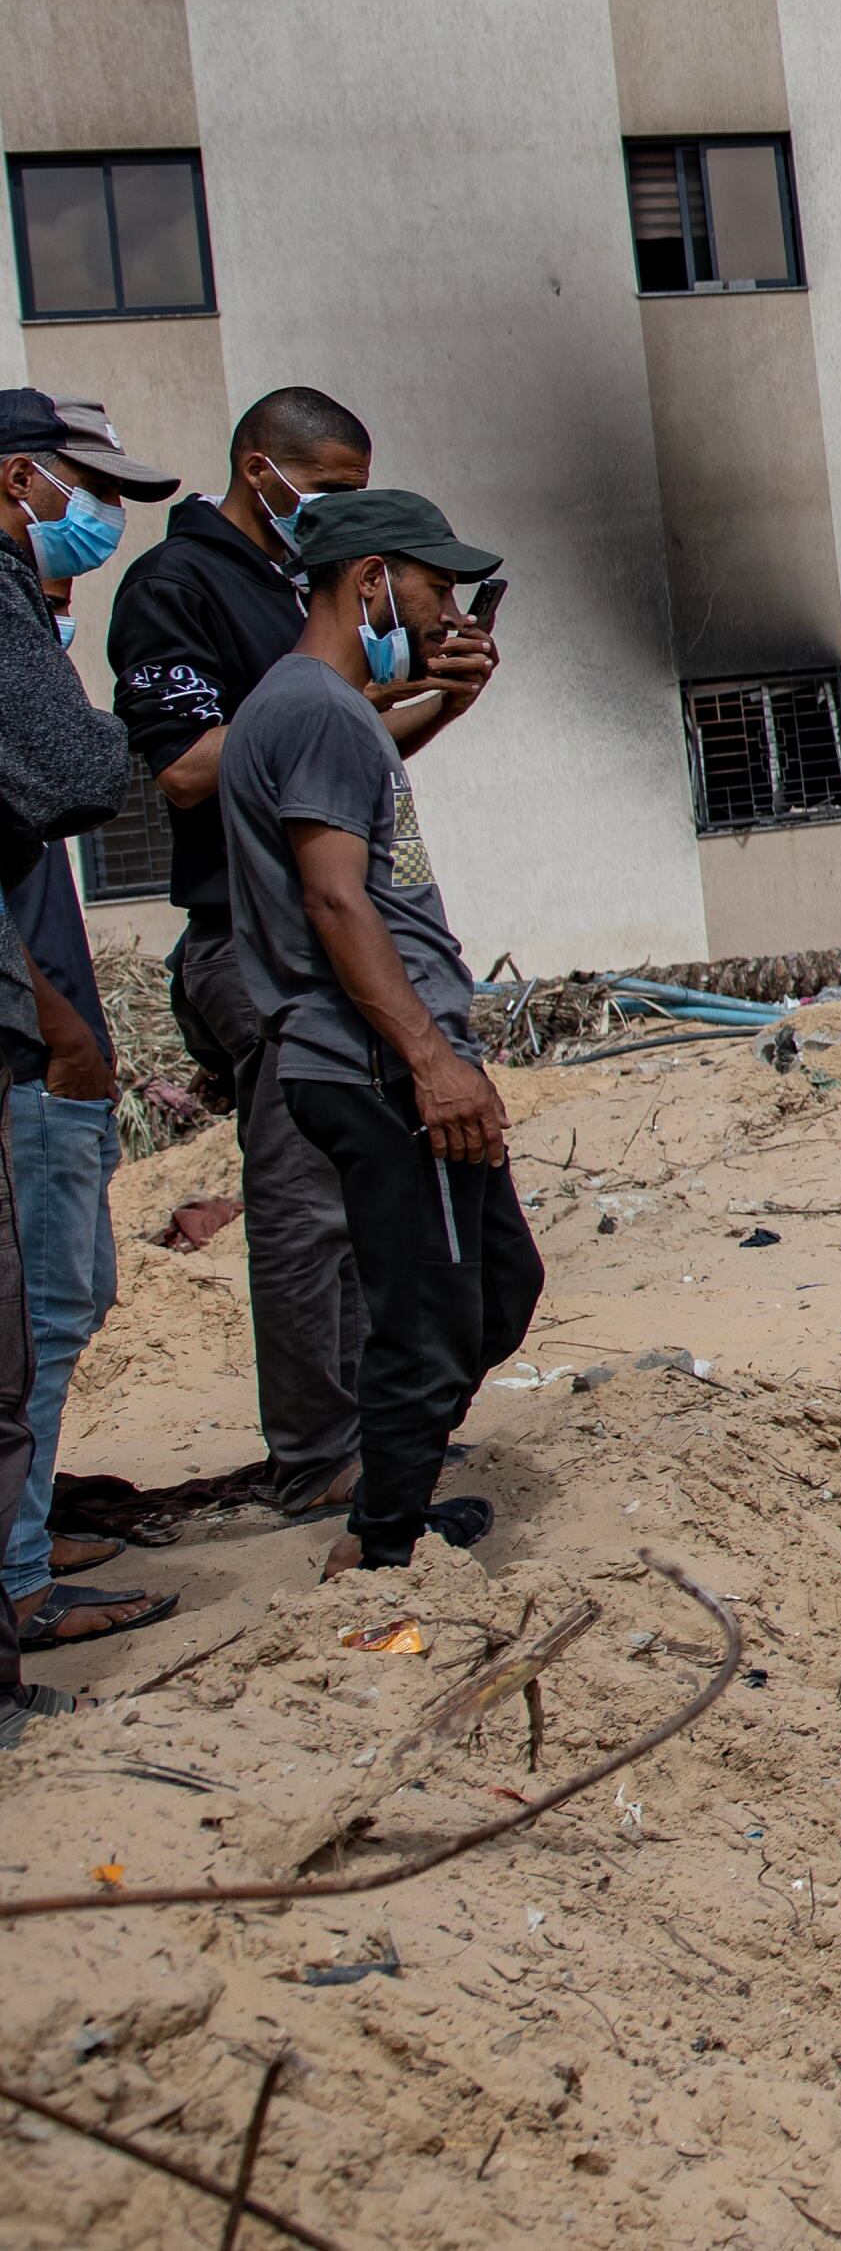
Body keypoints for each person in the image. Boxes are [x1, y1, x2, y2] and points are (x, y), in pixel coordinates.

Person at [214, 488, 537, 1576]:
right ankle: (382, 1546)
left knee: (496, 1287)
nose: (445, 609)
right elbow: (336, 898)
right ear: (368, 582)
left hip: (387, 1057)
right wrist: (430, 1061)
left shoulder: (317, 709)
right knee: (432, 1314)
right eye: (433, 585)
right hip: (378, 1065)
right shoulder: (314, 710)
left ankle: (393, 1495)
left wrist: (444, 705)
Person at [104, 387, 398, 1516]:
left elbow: (325, 767)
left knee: (356, 1201)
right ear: (259, 469)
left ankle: (366, 1433)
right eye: (327, 491)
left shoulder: (289, 586)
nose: (340, 514)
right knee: (301, 1204)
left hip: (328, 930)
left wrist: (429, 696)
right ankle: (319, 1455)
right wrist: (332, 702)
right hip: (252, 937)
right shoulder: (176, 585)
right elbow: (184, 768)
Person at [3, 395, 173, 1647]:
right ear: (20, 481)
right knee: (40, 1317)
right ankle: (17, 1576)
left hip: (43, 1035)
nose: (100, 516)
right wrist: (61, 1032)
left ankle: (24, 1533)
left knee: (60, 1311)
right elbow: (80, 773)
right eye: (85, 488)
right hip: (29, 1047)